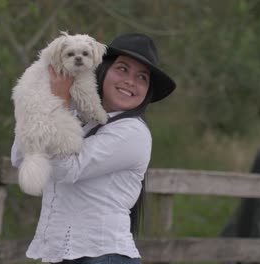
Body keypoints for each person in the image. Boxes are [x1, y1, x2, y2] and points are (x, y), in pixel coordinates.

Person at [11, 33, 176, 264]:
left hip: (102, 256)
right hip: (61, 254)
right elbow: (20, 157)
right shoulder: (80, 115)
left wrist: (59, 102)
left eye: (142, 77)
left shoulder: (132, 133)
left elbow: (66, 170)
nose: (130, 81)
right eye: (122, 69)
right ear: (104, 69)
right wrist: (43, 102)